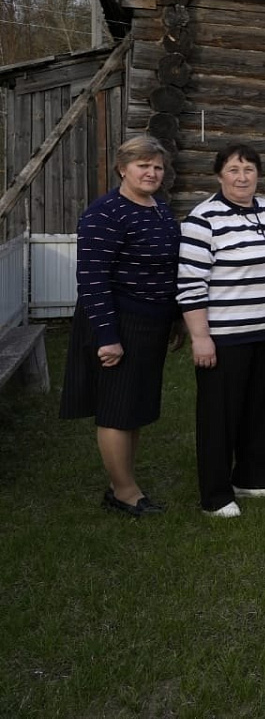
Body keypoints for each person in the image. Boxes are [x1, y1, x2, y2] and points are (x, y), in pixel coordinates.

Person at [60, 135, 181, 517]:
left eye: (157, 166)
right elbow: (93, 277)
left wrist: (175, 316)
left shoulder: (159, 209)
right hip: (118, 321)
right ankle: (125, 493)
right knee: (115, 408)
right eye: (143, 165)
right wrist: (108, 337)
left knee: (134, 406)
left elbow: (169, 268)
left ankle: (122, 483)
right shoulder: (105, 212)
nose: (151, 172)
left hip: (151, 321)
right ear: (122, 168)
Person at [178, 143, 265, 518]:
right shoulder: (203, 219)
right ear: (219, 176)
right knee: (220, 416)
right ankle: (216, 495)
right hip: (226, 335)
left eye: (248, 169)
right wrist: (200, 337)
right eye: (233, 170)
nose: (242, 177)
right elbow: (190, 283)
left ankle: (256, 477)